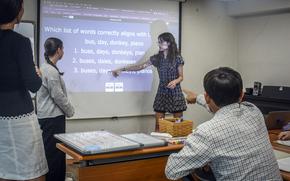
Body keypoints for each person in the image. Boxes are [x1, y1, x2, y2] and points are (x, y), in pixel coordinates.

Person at [165, 67, 282, 181]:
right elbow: (223, 109)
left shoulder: (207, 132)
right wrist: (197, 98)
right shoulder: (253, 111)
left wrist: (204, 159)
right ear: (242, 95)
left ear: (207, 97)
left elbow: (172, 171)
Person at [0, 0, 48, 180]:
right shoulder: (20, 42)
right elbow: (33, 85)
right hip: (20, 118)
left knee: (3, 171)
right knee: (33, 172)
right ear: (17, 13)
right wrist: (39, 73)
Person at [112, 32, 187, 131]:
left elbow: (181, 77)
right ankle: (160, 144)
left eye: (161, 42)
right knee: (159, 126)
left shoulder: (177, 58)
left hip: (175, 93)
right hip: (162, 92)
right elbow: (139, 67)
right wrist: (122, 69)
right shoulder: (157, 58)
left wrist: (175, 81)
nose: (158, 44)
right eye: (158, 42)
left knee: (178, 126)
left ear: (169, 43)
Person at [37, 37, 74, 181]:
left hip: (49, 118)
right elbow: (57, 96)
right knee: (54, 155)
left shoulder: (46, 67)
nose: (63, 51)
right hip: (52, 119)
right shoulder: (50, 71)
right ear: (58, 50)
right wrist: (70, 111)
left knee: (55, 154)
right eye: (62, 48)